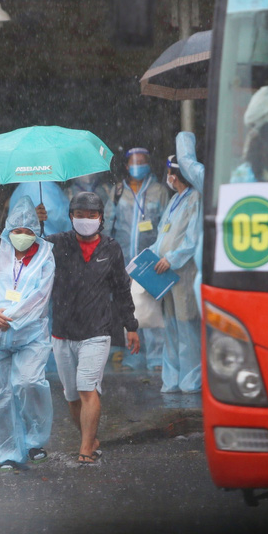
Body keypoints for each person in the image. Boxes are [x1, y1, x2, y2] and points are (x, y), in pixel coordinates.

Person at [47, 191, 139, 466]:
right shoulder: (57, 244)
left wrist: (130, 325)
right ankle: (90, 437)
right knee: (72, 396)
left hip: (97, 332)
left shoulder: (111, 249)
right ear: (70, 217)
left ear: (101, 219)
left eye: (91, 216)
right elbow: (27, 247)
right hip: (62, 332)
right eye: (79, 215)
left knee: (87, 389)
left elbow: (122, 289)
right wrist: (35, 225)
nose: (85, 220)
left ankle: (87, 448)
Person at [0, 196, 56, 471]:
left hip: (29, 334)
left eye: (28, 231)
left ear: (36, 231)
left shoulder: (45, 254)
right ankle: (7, 453)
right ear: (7, 229)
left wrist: (12, 317)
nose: (22, 236)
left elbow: (41, 297)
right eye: (16, 230)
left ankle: (34, 440)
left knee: (28, 383)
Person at [148, 133, 203, 393]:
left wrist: (172, 258)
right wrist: (151, 255)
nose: (168, 177)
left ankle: (191, 380)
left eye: (171, 172)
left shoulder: (195, 198)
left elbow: (192, 239)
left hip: (184, 272)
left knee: (187, 326)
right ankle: (171, 379)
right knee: (170, 325)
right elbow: (163, 234)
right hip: (165, 273)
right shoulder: (173, 201)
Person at [105, 146, 169, 371]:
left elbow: (165, 227)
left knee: (151, 311)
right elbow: (107, 226)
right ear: (126, 166)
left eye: (142, 161)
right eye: (134, 161)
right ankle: (134, 357)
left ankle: (156, 359)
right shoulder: (118, 191)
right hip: (123, 261)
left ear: (149, 164)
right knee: (129, 310)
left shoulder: (159, 192)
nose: (138, 165)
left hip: (149, 261)